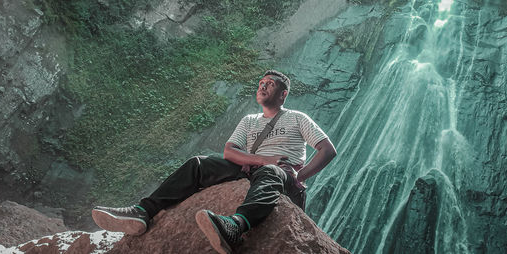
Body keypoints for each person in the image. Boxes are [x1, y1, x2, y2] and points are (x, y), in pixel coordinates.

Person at [91, 70, 337, 254]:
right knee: (198, 164)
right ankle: (143, 212)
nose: (262, 87)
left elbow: (327, 149)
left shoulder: (297, 118)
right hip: (251, 167)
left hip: (280, 173)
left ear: (283, 94)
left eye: (270, 85)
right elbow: (230, 151)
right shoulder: (250, 120)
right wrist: (260, 159)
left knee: (271, 172)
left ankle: (235, 227)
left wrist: (298, 176)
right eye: (261, 83)